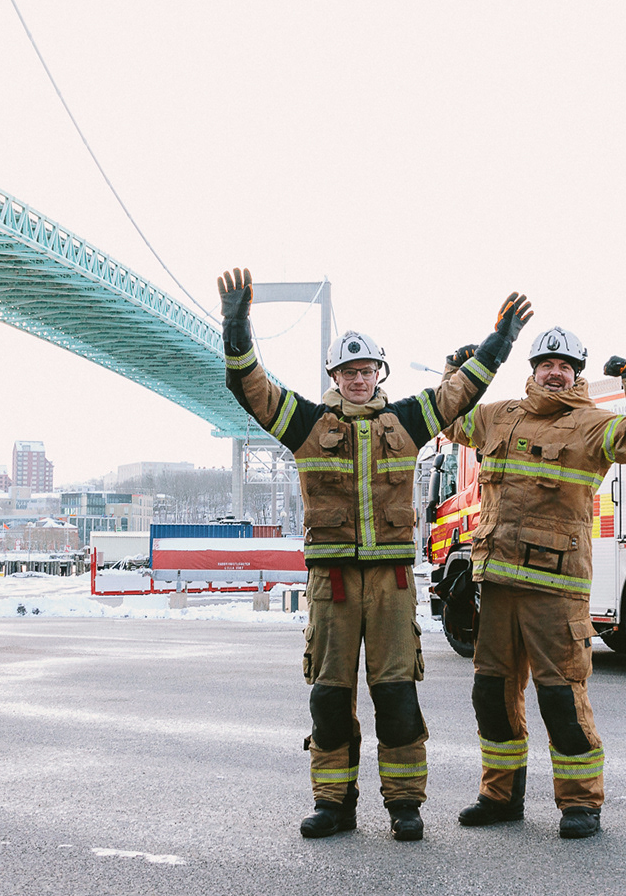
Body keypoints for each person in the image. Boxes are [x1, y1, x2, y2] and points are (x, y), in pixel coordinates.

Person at [219, 268, 533, 841]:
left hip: (390, 583)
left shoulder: (408, 422)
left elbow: (460, 392)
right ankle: (333, 804)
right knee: (329, 698)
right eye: (349, 372)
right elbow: (252, 389)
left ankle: (405, 805)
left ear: (378, 374)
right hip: (332, 584)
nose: (359, 380)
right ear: (335, 377)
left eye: (367, 371)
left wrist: (500, 342)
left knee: (397, 696)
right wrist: (236, 327)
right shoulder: (305, 424)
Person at [441, 326, 626, 839]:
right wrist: (456, 373)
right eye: (547, 364)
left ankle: (581, 803)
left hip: (556, 589)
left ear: (576, 374)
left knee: (561, 697)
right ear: (533, 369)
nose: (555, 372)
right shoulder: (499, 415)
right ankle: (500, 795)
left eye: (565, 366)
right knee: (491, 694)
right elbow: (449, 420)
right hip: (498, 585)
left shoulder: (593, 424)